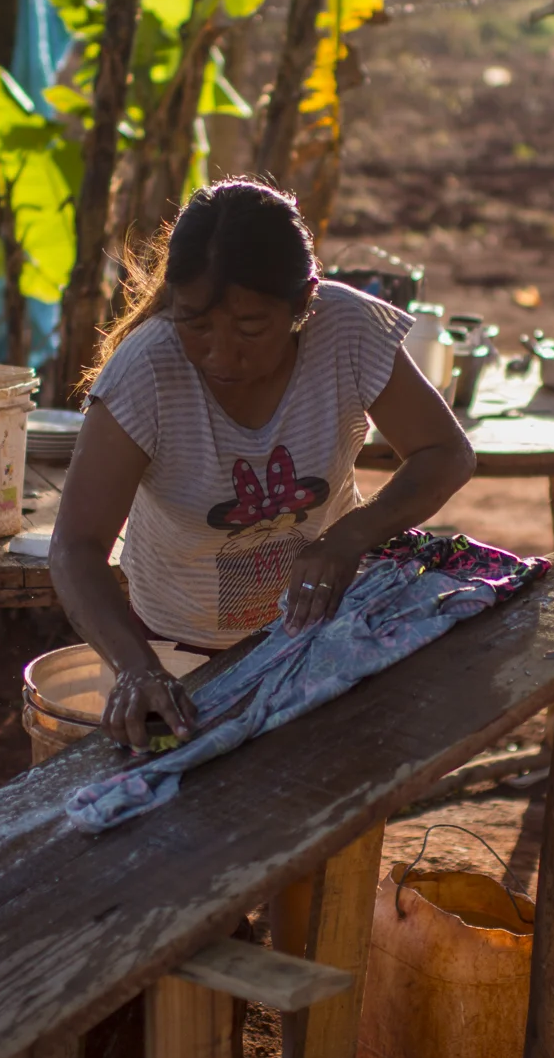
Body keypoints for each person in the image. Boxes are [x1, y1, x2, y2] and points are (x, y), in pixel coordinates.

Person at [51, 178, 477, 751]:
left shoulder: (345, 330)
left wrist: (348, 538)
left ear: (303, 304)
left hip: (322, 633)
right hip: (178, 655)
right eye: (195, 325)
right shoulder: (146, 371)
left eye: (250, 328)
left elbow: (446, 453)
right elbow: (75, 548)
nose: (221, 354)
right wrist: (138, 668)